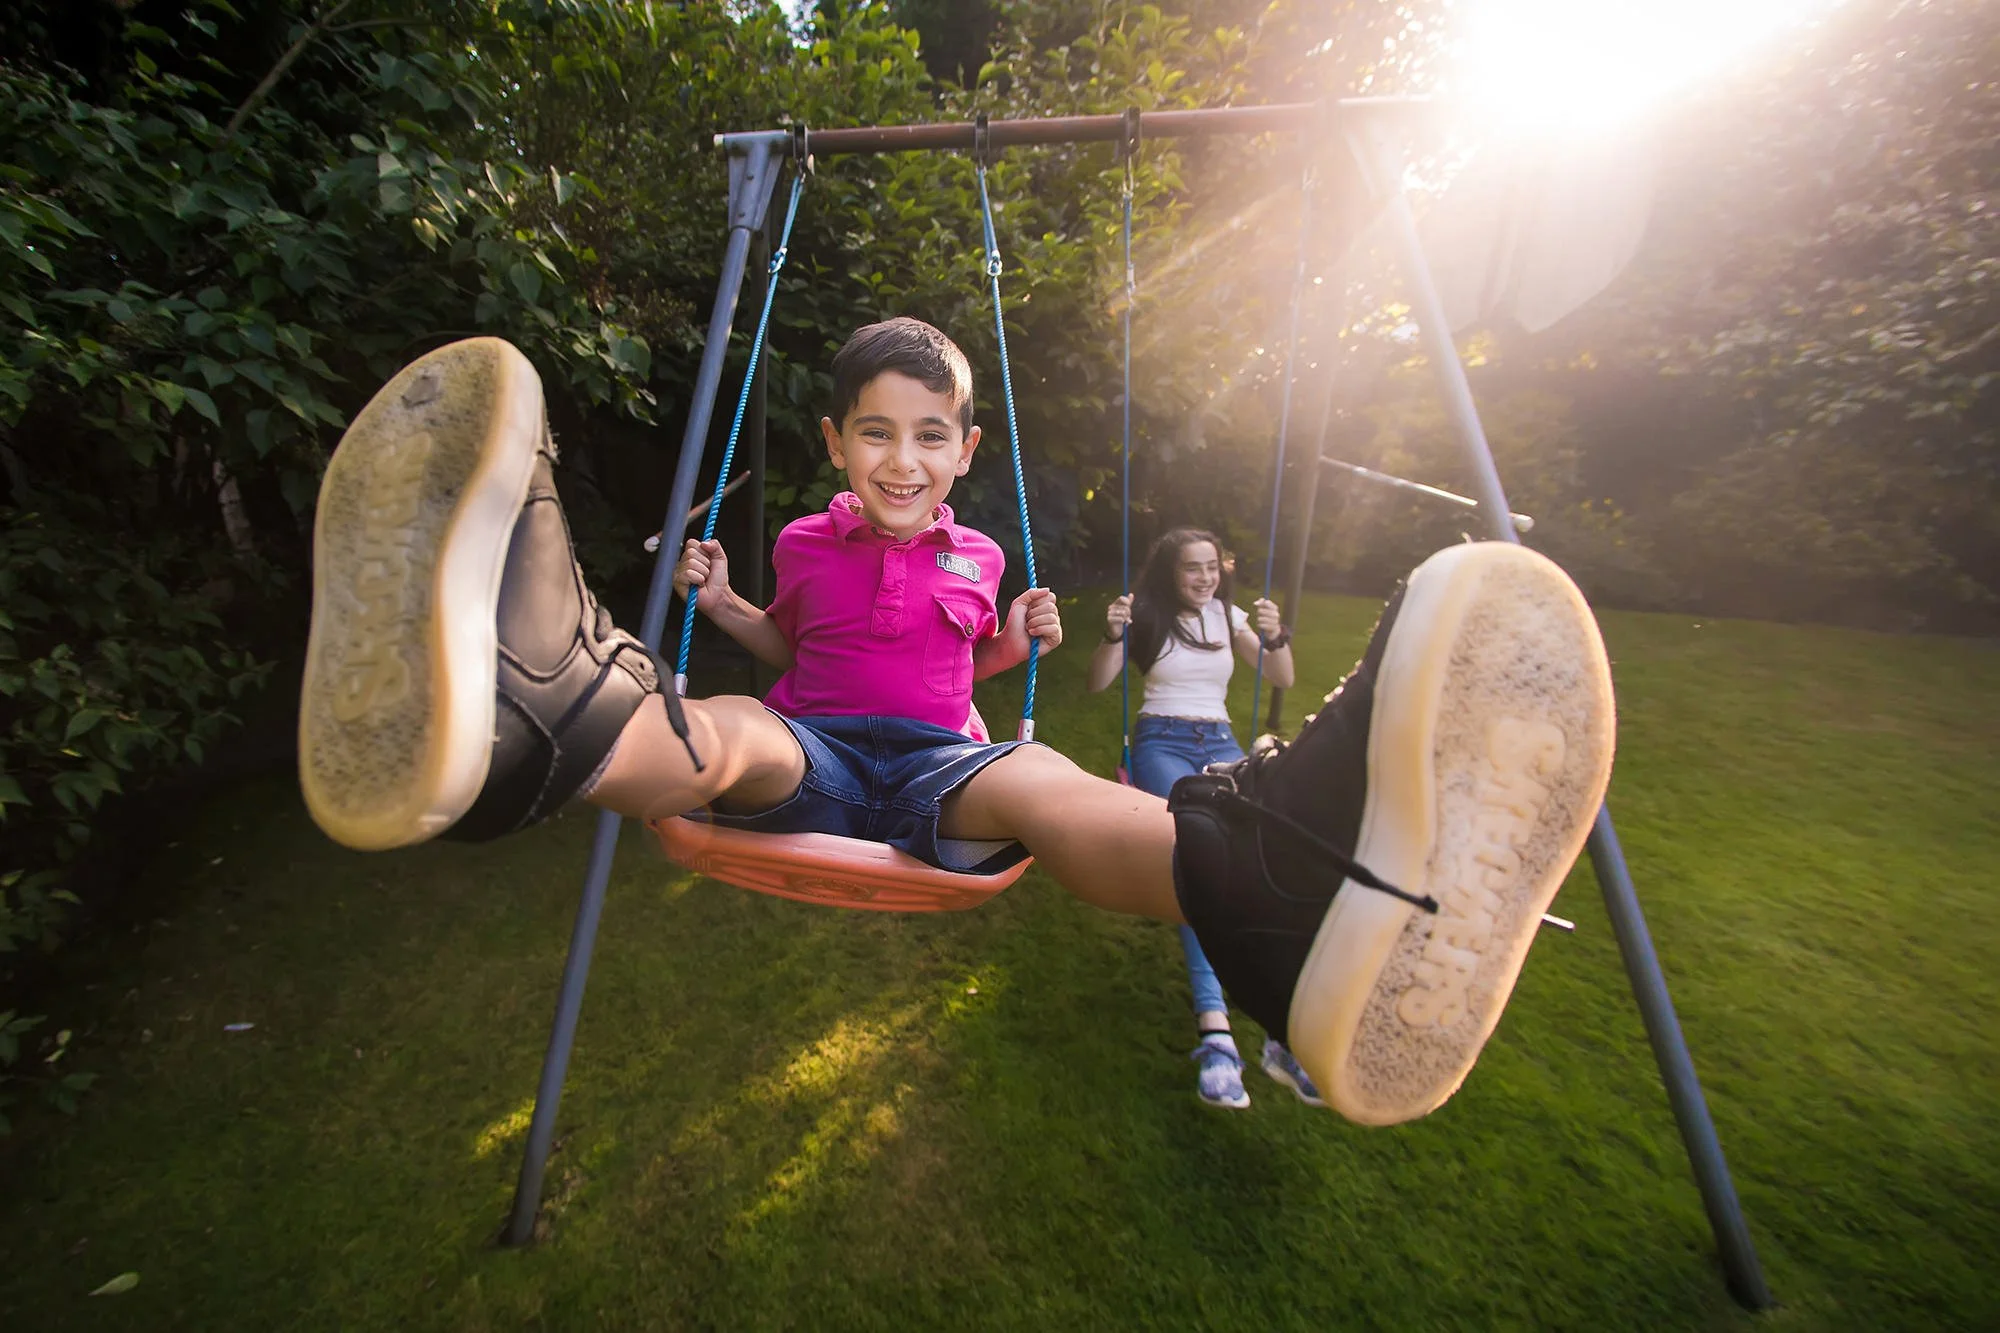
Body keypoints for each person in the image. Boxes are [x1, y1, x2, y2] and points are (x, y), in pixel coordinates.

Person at [295, 318, 1618, 1128]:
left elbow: (973, 674)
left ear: (965, 449)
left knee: (1040, 774)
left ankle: (1280, 879)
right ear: (835, 441)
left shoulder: (981, 558)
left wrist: (1018, 642)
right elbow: (779, 648)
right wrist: (725, 596)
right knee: (734, 727)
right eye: (876, 436)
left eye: (928, 438)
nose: (901, 461)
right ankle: (528, 723)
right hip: (812, 742)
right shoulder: (806, 542)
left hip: (942, 758)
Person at [1088, 528, 1325, 1110]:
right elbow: (1099, 682)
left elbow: (1282, 676)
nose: (1204, 577)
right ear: (1171, 573)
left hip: (1220, 740)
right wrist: (1112, 633)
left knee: (1258, 869)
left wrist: (1276, 636)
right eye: (1192, 568)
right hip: (1161, 740)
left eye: (1212, 567)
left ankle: (1279, 1032)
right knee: (1201, 870)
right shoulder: (1144, 612)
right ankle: (1217, 1038)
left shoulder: (1230, 614)